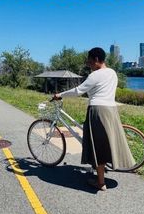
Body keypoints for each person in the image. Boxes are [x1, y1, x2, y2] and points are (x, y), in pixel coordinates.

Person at [54, 47, 135, 191]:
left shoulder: (95, 75)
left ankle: (100, 183)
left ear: (96, 59)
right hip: (111, 110)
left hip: (97, 111)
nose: (88, 64)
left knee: (98, 146)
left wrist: (60, 94)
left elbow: (78, 91)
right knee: (108, 142)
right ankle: (104, 170)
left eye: (89, 61)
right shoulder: (113, 73)